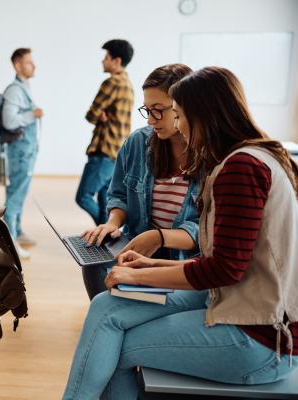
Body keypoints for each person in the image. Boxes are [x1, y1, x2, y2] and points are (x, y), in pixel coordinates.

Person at [63, 66, 298, 400]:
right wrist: (149, 266)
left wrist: (140, 275)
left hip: (260, 337)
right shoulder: (253, 157)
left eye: (180, 114)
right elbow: (224, 264)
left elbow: (222, 269)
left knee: (115, 346)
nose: (180, 126)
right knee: (104, 308)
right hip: (239, 307)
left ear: (203, 115)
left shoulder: (240, 167)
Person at [81, 64, 200, 296]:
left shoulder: (208, 154)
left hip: (184, 258)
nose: (150, 120)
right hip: (137, 247)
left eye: (158, 110)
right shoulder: (138, 142)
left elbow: (205, 230)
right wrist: (113, 223)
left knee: (114, 313)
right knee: (93, 263)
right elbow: (119, 195)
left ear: (182, 107)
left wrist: (160, 238)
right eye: (147, 110)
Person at [76, 39, 134, 225]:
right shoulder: (128, 84)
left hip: (103, 150)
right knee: (104, 201)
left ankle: (104, 232)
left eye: (106, 57)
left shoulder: (112, 83)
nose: (103, 61)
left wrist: (99, 114)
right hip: (116, 153)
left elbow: (91, 114)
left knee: (83, 196)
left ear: (116, 61)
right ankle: (104, 241)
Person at [2, 47, 43, 258]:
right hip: (19, 152)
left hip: (26, 151)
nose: (33, 65)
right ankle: (8, 240)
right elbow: (8, 122)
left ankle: (16, 231)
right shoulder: (14, 90)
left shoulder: (24, 87)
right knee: (15, 195)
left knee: (21, 192)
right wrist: (31, 115)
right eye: (29, 62)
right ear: (18, 66)